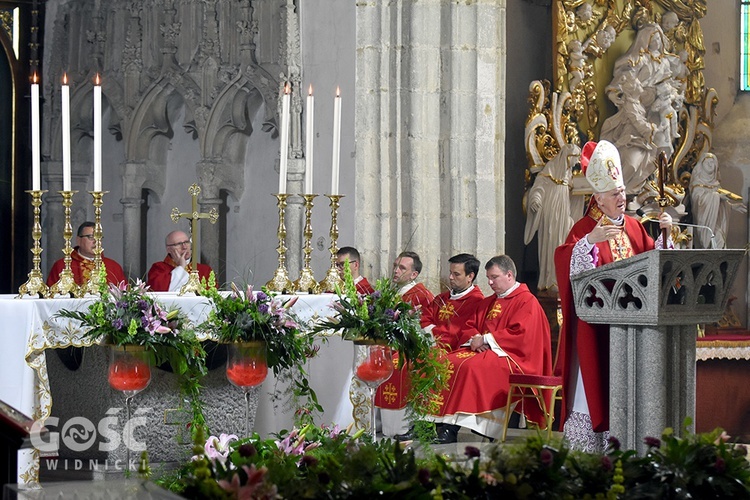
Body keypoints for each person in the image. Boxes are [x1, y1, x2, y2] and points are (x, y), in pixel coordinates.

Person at [554, 140, 673, 453]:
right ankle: (589, 450)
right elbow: (566, 266)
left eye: (622, 192)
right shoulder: (584, 229)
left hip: (634, 332)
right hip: (596, 332)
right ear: (598, 199)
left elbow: (656, 266)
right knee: (594, 388)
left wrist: (664, 237)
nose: (621, 198)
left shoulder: (635, 227)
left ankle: (631, 443)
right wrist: (590, 242)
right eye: (614, 194)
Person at [429, 255, 552, 443]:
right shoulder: (489, 301)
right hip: (483, 351)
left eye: (494, 277)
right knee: (446, 361)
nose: (490, 282)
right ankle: (439, 425)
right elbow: (470, 325)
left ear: (509, 275)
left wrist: (486, 339)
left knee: (471, 368)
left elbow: (523, 336)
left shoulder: (527, 302)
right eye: (488, 278)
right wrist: (475, 339)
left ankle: (468, 427)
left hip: (514, 358)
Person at [375, 251, 435, 439]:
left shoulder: (420, 295)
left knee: (393, 364)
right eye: (395, 266)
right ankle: (373, 422)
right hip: (390, 343)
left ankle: (397, 427)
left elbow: (425, 329)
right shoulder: (391, 291)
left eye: (402, 268)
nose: (396, 271)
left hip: (411, 347)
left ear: (413, 274)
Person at [524, 143, 579, 292]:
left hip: (564, 212)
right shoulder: (551, 169)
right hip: (550, 214)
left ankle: (560, 278)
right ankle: (549, 279)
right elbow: (539, 187)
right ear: (568, 157)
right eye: (576, 158)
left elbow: (574, 192)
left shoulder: (568, 173)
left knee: (563, 242)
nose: (577, 162)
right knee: (551, 243)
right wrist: (535, 199)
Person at [421, 253, 485, 352]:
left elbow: (457, 333)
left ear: (470, 276)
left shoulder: (476, 302)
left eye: (456, 274)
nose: (450, 277)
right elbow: (424, 319)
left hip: (448, 352)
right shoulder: (441, 298)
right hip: (427, 346)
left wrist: (432, 332)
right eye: (450, 273)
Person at [689, 152, 747, 249]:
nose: (710, 165)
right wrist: (717, 197)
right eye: (707, 162)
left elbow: (720, 204)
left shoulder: (716, 184)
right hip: (705, 223)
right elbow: (698, 202)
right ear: (701, 165)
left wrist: (732, 206)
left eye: (713, 162)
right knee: (717, 239)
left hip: (715, 221)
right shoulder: (697, 184)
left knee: (720, 239)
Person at [47, 221, 126, 287]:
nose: (96, 241)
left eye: (99, 237)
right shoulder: (62, 266)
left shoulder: (113, 267)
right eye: (91, 237)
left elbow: (124, 298)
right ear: (78, 240)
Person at [147, 230, 213, 292]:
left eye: (187, 242)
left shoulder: (204, 270)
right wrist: (181, 267)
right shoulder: (158, 268)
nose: (184, 247)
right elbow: (158, 292)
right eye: (178, 244)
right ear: (169, 249)